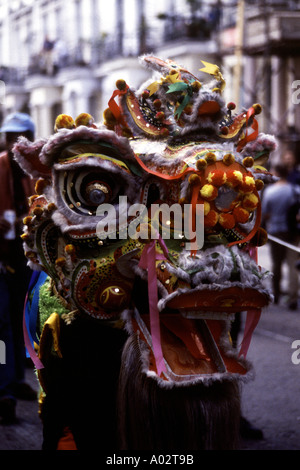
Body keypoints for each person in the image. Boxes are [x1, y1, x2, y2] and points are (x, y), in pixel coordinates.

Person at [0, 112, 37, 423]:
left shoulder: (29, 172)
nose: (14, 144)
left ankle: (14, 381)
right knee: (1, 327)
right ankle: (4, 390)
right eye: (10, 137)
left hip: (21, 258)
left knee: (18, 320)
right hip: (1, 260)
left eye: (19, 137)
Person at [262, 163, 300, 309]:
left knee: (276, 264)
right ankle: (292, 296)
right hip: (293, 232)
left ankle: (276, 294)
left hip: (276, 230)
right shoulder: (296, 189)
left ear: (276, 173)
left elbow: (264, 213)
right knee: (292, 264)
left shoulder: (271, 191)